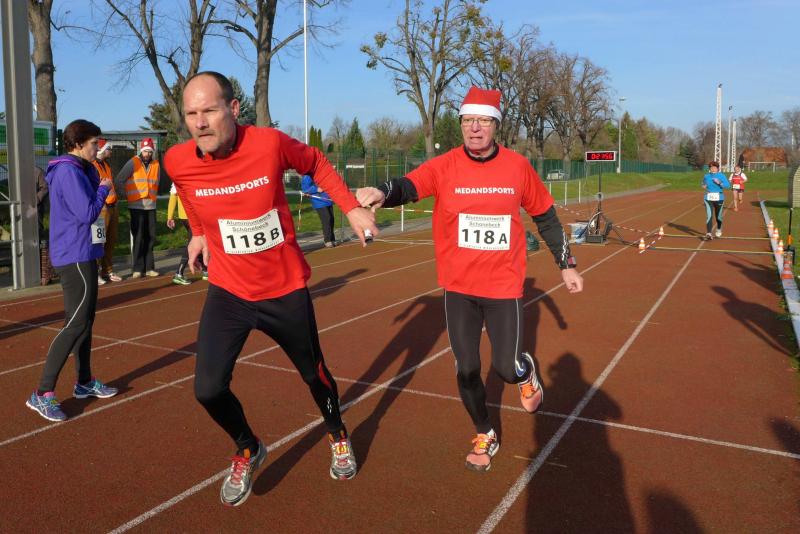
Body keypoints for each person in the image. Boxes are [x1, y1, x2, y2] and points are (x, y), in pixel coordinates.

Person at [163, 71, 379, 506]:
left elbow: (315, 162)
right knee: (207, 389)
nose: (200, 122)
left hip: (283, 289)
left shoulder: (268, 144)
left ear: (233, 109)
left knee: (314, 375)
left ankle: (337, 433)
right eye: (191, 113)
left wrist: (350, 208)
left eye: (209, 110)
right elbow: (188, 191)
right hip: (229, 291)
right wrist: (199, 233)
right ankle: (248, 447)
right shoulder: (177, 160)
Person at [356, 87, 584, 472]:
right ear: (461, 124)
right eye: (467, 121)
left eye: (483, 121)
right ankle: (484, 431)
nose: (474, 128)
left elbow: (545, 216)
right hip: (459, 287)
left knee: (505, 368)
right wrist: (382, 191)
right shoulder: (444, 166)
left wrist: (567, 264)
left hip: (503, 286)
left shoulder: (517, 167)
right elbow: (408, 186)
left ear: (496, 125)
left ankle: (525, 373)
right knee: (466, 368)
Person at [26, 119, 118, 422]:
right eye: (93, 143)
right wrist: (103, 189)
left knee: (85, 321)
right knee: (76, 324)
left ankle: (84, 381)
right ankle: (42, 392)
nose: (97, 148)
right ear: (78, 144)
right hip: (74, 254)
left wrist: (95, 172)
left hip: (83, 251)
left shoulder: (79, 168)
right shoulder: (67, 171)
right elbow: (87, 212)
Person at [115, 137, 161, 278]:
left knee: (150, 237)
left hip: (150, 206)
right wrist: (126, 195)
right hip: (136, 206)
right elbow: (119, 179)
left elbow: (157, 182)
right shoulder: (133, 162)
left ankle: (149, 268)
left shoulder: (156, 164)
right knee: (139, 236)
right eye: (145, 151)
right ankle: (137, 268)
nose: (147, 154)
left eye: (150, 151)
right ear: (141, 150)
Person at [93, 139, 122, 284]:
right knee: (99, 241)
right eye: (109, 148)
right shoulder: (92, 165)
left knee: (111, 240)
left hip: (112, 206)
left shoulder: (106, 165)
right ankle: (95, 272)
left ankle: (107, 270)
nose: (111, 151)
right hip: (101, 208)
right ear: (102, 150)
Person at [166, 182, 207, 285]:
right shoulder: (192, 178)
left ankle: (204, 269)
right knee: (193, 242)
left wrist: (170, 216)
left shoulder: (178, 178)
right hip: (192, 216)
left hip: (184, 216)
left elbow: (173, 196)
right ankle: (179, 273)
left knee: (196, 240)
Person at [301, 174, 337, 247]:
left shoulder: (323, 173)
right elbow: (305, 189)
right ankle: (327, 240)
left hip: (328, 200)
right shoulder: (307, 176)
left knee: (331, 219)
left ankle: (332, 239)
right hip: (319, 201)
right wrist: (316, 189)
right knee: (326, 219)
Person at [35, 164, 55, 286]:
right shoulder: (18, 173)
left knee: (40, 241)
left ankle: (45, 274)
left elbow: (45, 187)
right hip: (21, 212)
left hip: (36, 212)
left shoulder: (38, 172)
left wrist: (36, 199)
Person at [701, 161, 731, 239]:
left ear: (717, 168)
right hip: (708, 197)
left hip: (719, 198)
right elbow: (703, 183)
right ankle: (709, 233)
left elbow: (728, 185)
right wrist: (703, 186)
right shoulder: (706, 176)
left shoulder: (721, 176)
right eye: (711, 167)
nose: (712, 169)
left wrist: (720, 183)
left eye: (714, 167)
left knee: (718, 216)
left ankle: (718, 228)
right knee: (709, 216)